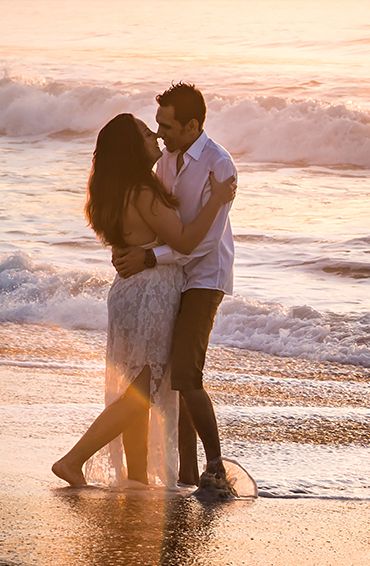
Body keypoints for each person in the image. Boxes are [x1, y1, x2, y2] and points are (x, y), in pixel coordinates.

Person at [52, 113, 236, 488]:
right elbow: (185, 241)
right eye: (144, 132)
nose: (154, 135)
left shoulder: (111, 192)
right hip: (151, 291)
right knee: (143, 389)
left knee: (137, 385)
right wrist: (216, 201)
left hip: (127, 293)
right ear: (132, 148)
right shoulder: (142, 191)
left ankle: (137, 477)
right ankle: (73, 460)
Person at [111, 83, 238, 491]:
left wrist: (149, 258)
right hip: (171, 278)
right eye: (157, 124)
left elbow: (199, 243)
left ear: (192, 125)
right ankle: (185, 473)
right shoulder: (166, 159)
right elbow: (150, 214)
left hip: (203, 278)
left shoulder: (220, 167)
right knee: (166, 380)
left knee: (185, 373)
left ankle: (216, 466)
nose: (159, 131)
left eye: (166, 125)